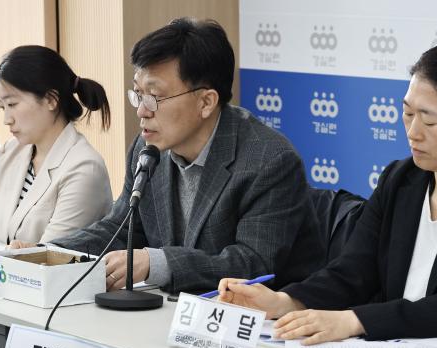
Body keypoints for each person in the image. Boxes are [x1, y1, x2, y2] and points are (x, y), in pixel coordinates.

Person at [219, 40, 437, 348]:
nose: (413, 132)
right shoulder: (400, 180)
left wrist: (355, 320)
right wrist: (285, 302)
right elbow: (353, 271)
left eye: (429, 120)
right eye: (407, 113)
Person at [52, 18, 324, 293]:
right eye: (138, 94)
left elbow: (251, 264)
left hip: (264, 314)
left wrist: (157, 263)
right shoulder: (147, 149)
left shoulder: (269, 160)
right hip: (173, 309)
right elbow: (121, 228)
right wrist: (46, 252)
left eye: (154, 96)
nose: (142, 111)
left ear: (206, 102)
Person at [0, 45, 113, 247]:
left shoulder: (85, 168)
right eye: (2, 107)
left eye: (12, 104)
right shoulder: (10, 151)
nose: (7, 119)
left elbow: (51, 256)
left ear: (51, 100)